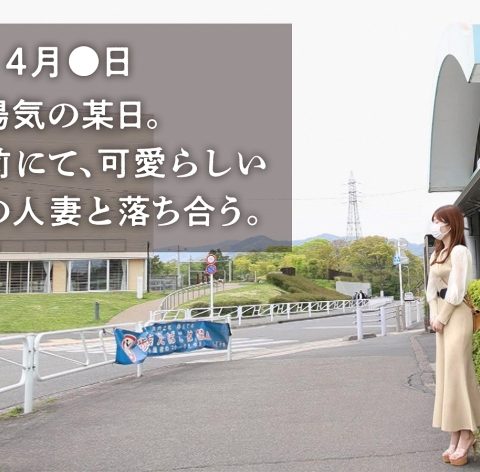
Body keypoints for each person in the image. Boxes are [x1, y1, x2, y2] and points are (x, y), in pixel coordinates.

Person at [426, 204, 480, 466]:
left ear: (451, 223)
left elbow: (457, 290)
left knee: (459, 373)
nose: (436, 225)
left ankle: (467, 433)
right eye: (434, 220)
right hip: (441, 318)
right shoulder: (437, 253)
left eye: (440, 221)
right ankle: (455, 432)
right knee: (447, 375)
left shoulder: (459, 251)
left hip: (456, 317)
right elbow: (430, 289)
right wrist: (433, 315)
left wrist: (442, 317)